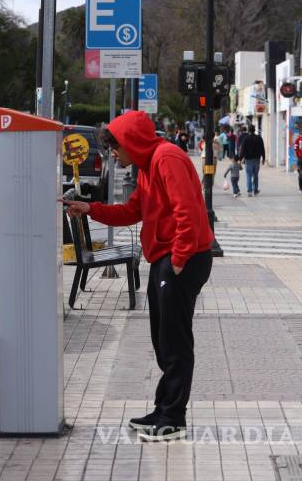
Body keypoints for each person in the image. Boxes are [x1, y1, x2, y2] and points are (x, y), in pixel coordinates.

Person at [61, 111, 213, 442]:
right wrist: (90, 209)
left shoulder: (166, 158)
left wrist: (179, 259)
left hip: (180, 259)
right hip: (168, 257)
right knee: (163, 338)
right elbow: (132, 211)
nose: (114, 155)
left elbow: (187, 210)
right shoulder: (148, 166)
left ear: (131, 142)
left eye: (116, 148)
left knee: (174, 341)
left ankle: (172, 417)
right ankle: (164, 410)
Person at [239, 124, 265, 197]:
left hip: (248, 160)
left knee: (248, 175)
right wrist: (263, 158)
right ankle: (255, 190)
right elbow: (262, 148)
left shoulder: (246, 139)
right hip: (257, 159)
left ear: (248, 130)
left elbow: (242, 150)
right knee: (256, 175)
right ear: (254, 130)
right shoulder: (259, 138)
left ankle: (249, 191)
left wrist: (240, 159)